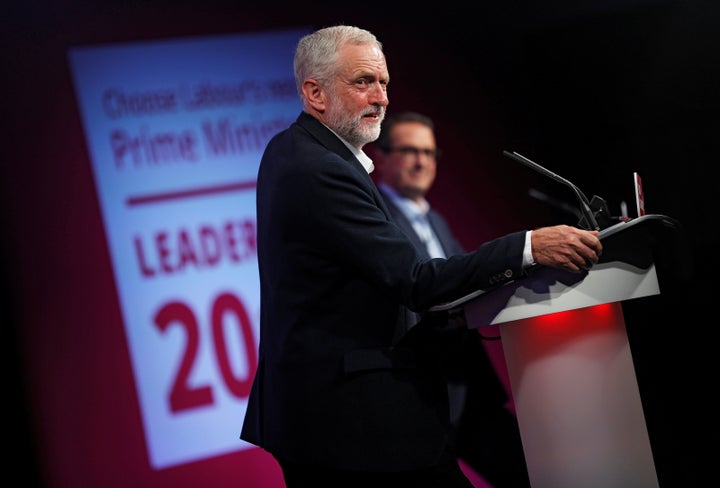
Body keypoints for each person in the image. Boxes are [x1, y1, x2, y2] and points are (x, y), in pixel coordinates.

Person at [240, 25, 602, 488]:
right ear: (315, 93)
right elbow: (415, 280)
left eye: (384, 83)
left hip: (341, 418)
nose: (381, 97)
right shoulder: (317, 168)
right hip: (350, 425)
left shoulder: (300, 153)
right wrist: (529, 246)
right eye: (363, 82)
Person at [371, 111, 530, 487]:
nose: (421, 161)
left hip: (468, 387)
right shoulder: (376, 218)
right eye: (409, 150)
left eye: (429, 152)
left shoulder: (435, 220)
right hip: (421, 394)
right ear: (381, 156)